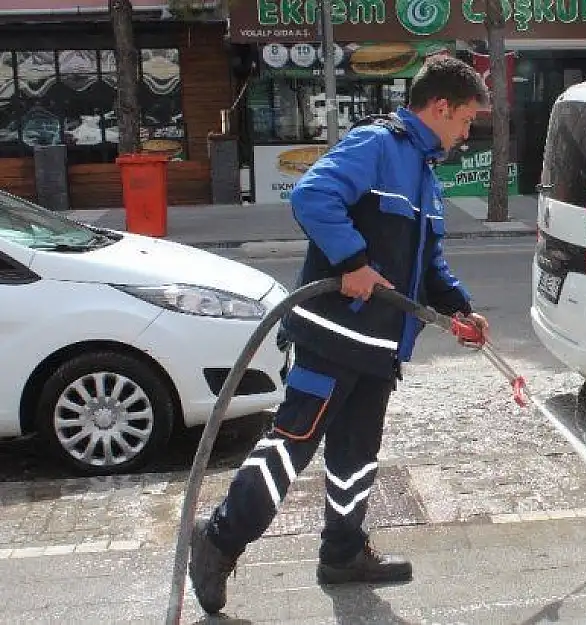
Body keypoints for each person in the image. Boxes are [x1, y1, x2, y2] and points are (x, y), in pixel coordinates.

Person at [187, 55, 491, 616]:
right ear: (440, 107)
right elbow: (312, 196)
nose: (467, 132)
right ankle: (218, 541)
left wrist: (459, 309)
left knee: (356, 454)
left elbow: (428, 261)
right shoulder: (378, 146)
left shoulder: (423, 171)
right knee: (290, 448)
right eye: (466, 119)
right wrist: (350, 259)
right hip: (332, 336)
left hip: (377, 348)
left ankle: (343, 554)